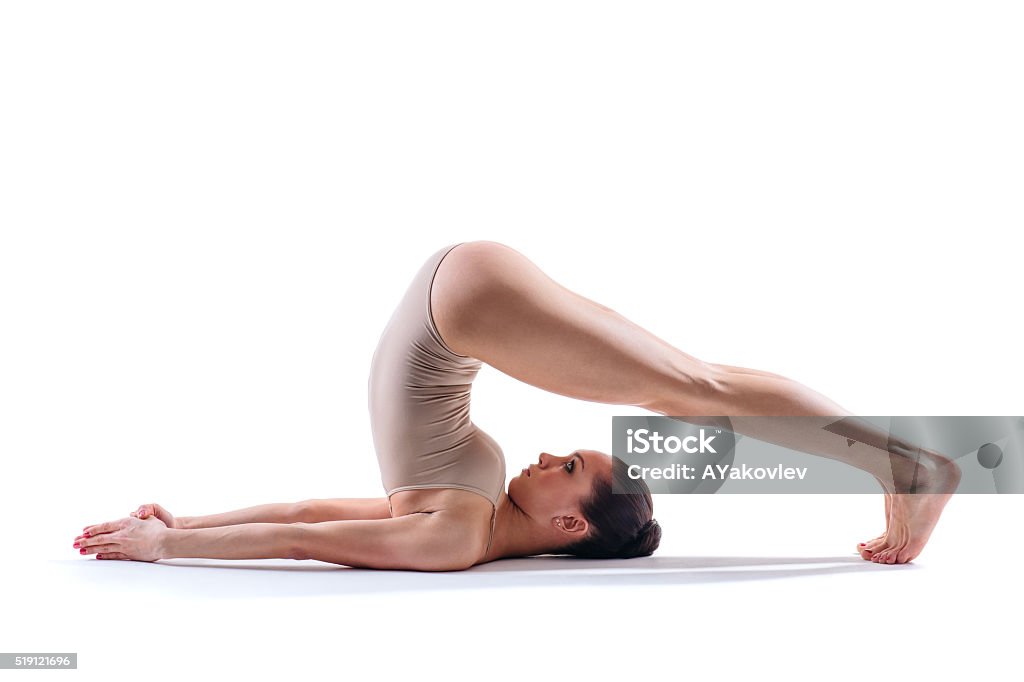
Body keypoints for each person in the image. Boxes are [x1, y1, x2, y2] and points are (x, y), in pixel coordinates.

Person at [73, 241, 959, 570]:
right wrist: (178, 535)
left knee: (698, 387)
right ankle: (898, 461)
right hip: (463, 301)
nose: (546, 457)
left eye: (569, 469)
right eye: (569, 455)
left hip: (461, 301)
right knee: (692, 383)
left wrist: (173, 537)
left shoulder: (455, 532)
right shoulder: (468, 516)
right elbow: (307, 525)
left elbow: (306, 527)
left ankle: (906, 461)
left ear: (572, 525)